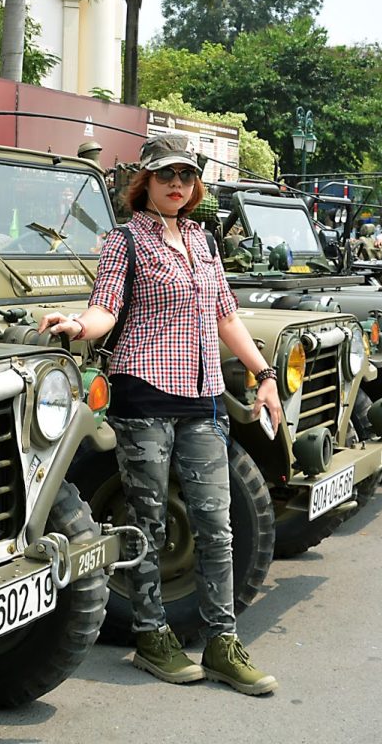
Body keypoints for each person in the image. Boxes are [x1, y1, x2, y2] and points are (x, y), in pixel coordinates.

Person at [38, 133, 280, 696]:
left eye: (187, 177)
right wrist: (78, 325)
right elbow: (105, 308)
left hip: (202, 399)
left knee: (215, 526)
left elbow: (227, 319)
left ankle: (223, 642)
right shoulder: (125, 240)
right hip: (144, 394)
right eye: (166, 175)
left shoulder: (204, 241)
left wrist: (264, 375)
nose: (178, 184)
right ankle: (152, 635)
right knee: (147, 522)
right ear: (143, 182)